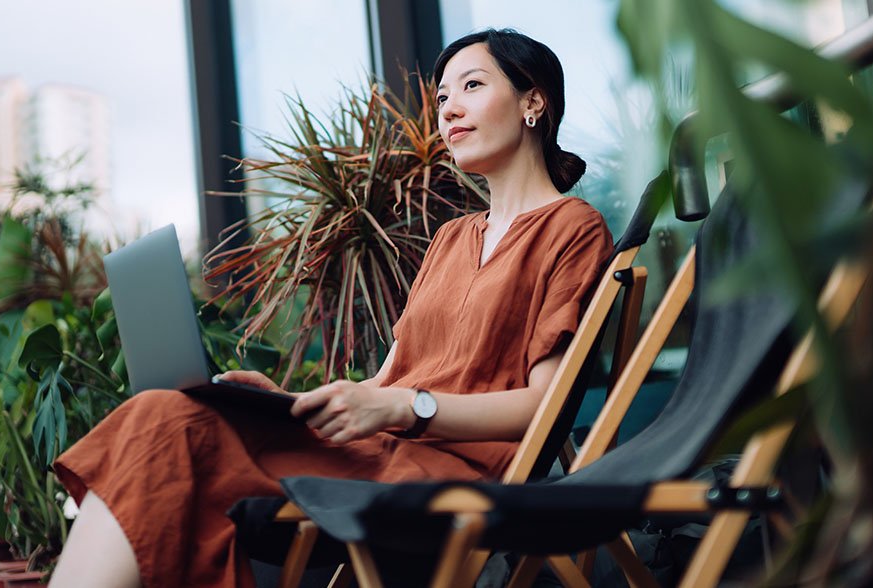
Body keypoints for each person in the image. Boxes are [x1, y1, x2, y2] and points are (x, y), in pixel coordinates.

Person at [49, 28, 613, 588]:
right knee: (164, 416)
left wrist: (404, 410)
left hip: (449, 477)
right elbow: (388, 380)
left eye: (471, 86)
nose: (450, 109)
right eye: (442, 97)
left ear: (533, 100)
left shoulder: (572, 228)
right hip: (377, 453)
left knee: (168, 432)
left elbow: (543, 406)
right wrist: (288, 402)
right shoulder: (451, 239)